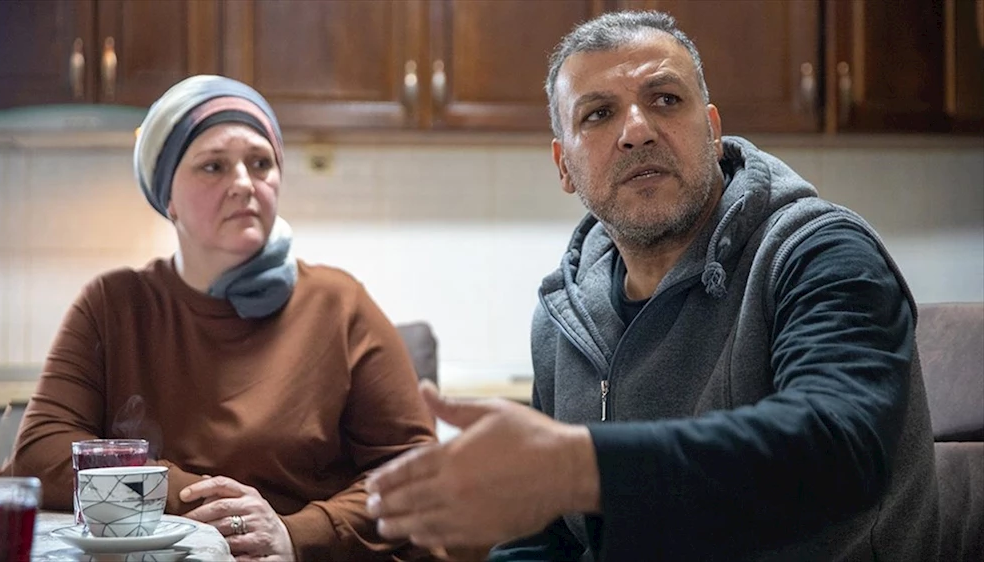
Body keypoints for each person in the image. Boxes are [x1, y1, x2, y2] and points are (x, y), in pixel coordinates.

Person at [364, 10, 939, 561]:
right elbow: (551, 538)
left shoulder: (819, 253)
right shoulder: (563, 317)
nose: (637, 131)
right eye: (598, 114)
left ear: (713, 131)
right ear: (563, 166)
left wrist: (574, 466)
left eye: (665, 99)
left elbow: (839, 448)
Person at [1, 75, 439, 561]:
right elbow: (40, 452)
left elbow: (417, 470)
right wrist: (196, 503)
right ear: (167, 197)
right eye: (213, 166)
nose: (245, 184)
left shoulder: (340, 304)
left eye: (261, 163)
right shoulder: (112, 304)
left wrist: (296, 535)